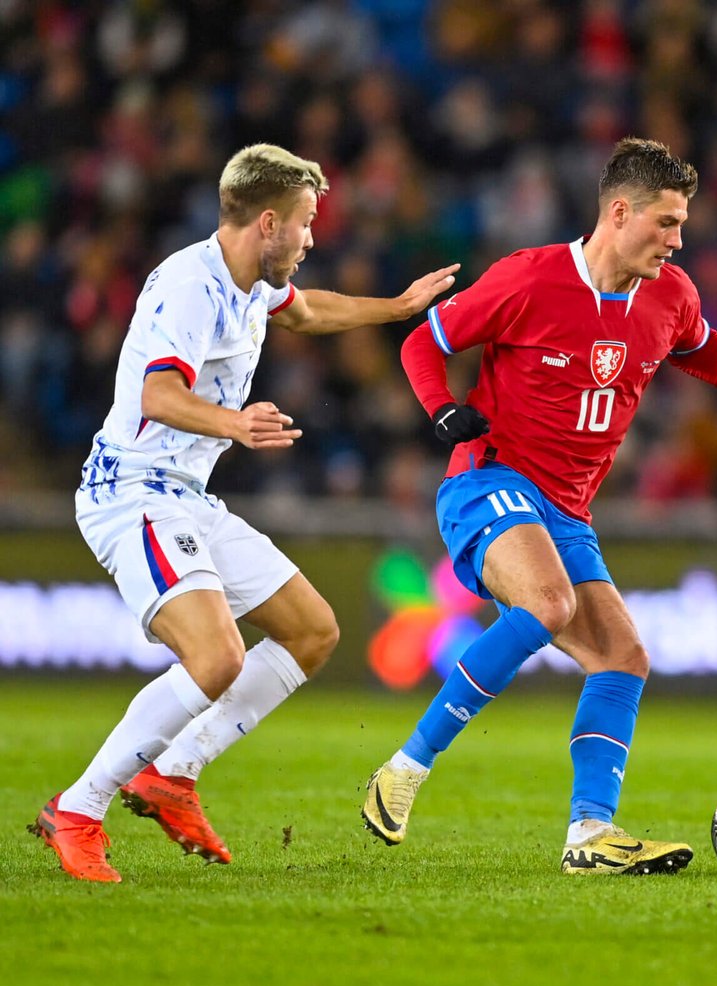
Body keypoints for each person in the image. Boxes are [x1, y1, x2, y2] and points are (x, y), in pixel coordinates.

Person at [361, 137, 717, 875]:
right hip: (489, 478)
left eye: (683, 225)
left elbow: (704, 349)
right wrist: (440, 409)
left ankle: (590, 834)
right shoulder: (527, 278)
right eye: (668, 223)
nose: (678, 240)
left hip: (568, 508)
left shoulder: (671, 294)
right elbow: (421, 345)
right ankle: (403, 771)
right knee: (550, 603)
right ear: (620, 212)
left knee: (624, 656)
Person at [31, 144, 460, 883]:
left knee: (312, 629)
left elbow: (308, 309)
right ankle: (78, 806)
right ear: (268, 223)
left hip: (184, 496)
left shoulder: (249, 282)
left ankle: (171, 773)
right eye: (305, 224)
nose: (313, 238)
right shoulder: (190, 289)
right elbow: (157, 396)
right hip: (131, 492)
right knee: (217, 655)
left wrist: (396, 308)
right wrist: (238, 424)